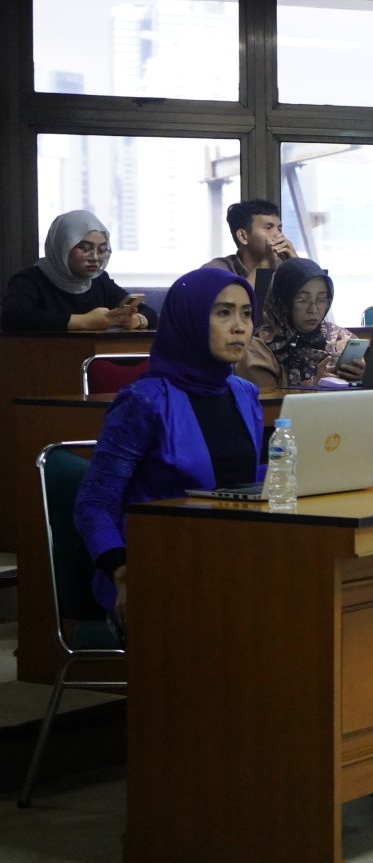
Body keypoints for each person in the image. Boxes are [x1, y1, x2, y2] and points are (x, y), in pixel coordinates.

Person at [73, 268, 263, 634]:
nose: (239, 327)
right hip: (156, 566)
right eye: (223, 313)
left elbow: (239, 479)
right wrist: (121, 569)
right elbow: (93, 504)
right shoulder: (144, 401)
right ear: (189, 320)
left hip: (230, 558)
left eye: (246, 313)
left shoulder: (244, 393)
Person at [2, 209, 154, 332]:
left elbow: (148, 313)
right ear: (62, 246)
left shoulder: (99, 281)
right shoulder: (29, 281)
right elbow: (12, 317)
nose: (95, 257)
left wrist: (136, 320)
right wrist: (84, 321)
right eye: (85, 248)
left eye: (102, 250)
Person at [236, 258, 364, 390]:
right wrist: (314, 387)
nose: (313, 310)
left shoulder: (340, 339)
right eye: (302, 300)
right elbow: (265, 400)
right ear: (283, 302)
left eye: (321, 299)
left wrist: (363, 378)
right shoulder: (259, 348)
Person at [204, 199, 294, 283]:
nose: (278, 234)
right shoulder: (215, 271)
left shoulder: (284, 268)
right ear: (243, 236)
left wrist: (297, 264)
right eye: (268, 227)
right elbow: (240, 295)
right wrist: (265, 264)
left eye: (279, 228)